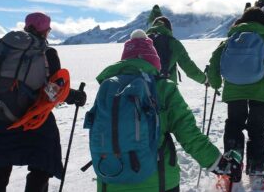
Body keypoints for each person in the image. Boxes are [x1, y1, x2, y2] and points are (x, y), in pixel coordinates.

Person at [0, 12, 87, 192]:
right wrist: (74, 96)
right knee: (42, 161)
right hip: (33, 119)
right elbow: (53, 91)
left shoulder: (4, 47)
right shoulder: (47, 53)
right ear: (45, 30)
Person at [89, 29, 221, 191]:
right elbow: (189, 134)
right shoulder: (164, 88)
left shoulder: (107, 88)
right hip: (158, 181)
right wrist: (217, 163)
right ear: (154, 62)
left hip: (111, 178)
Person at [207, 0, 264, 189]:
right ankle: (256, 171)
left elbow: (215, 61)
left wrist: (215, 83)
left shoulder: (231, 37)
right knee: (257, 130)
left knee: (234, 127)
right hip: (261, 92)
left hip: (234, 90)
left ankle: (232, 170)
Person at [146, 5, 207, 84]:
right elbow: (189, 68)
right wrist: (204, 80)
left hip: (144, 88)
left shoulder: (142, 41)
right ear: (169, 29)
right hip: (166, 88)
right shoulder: (173, 43)